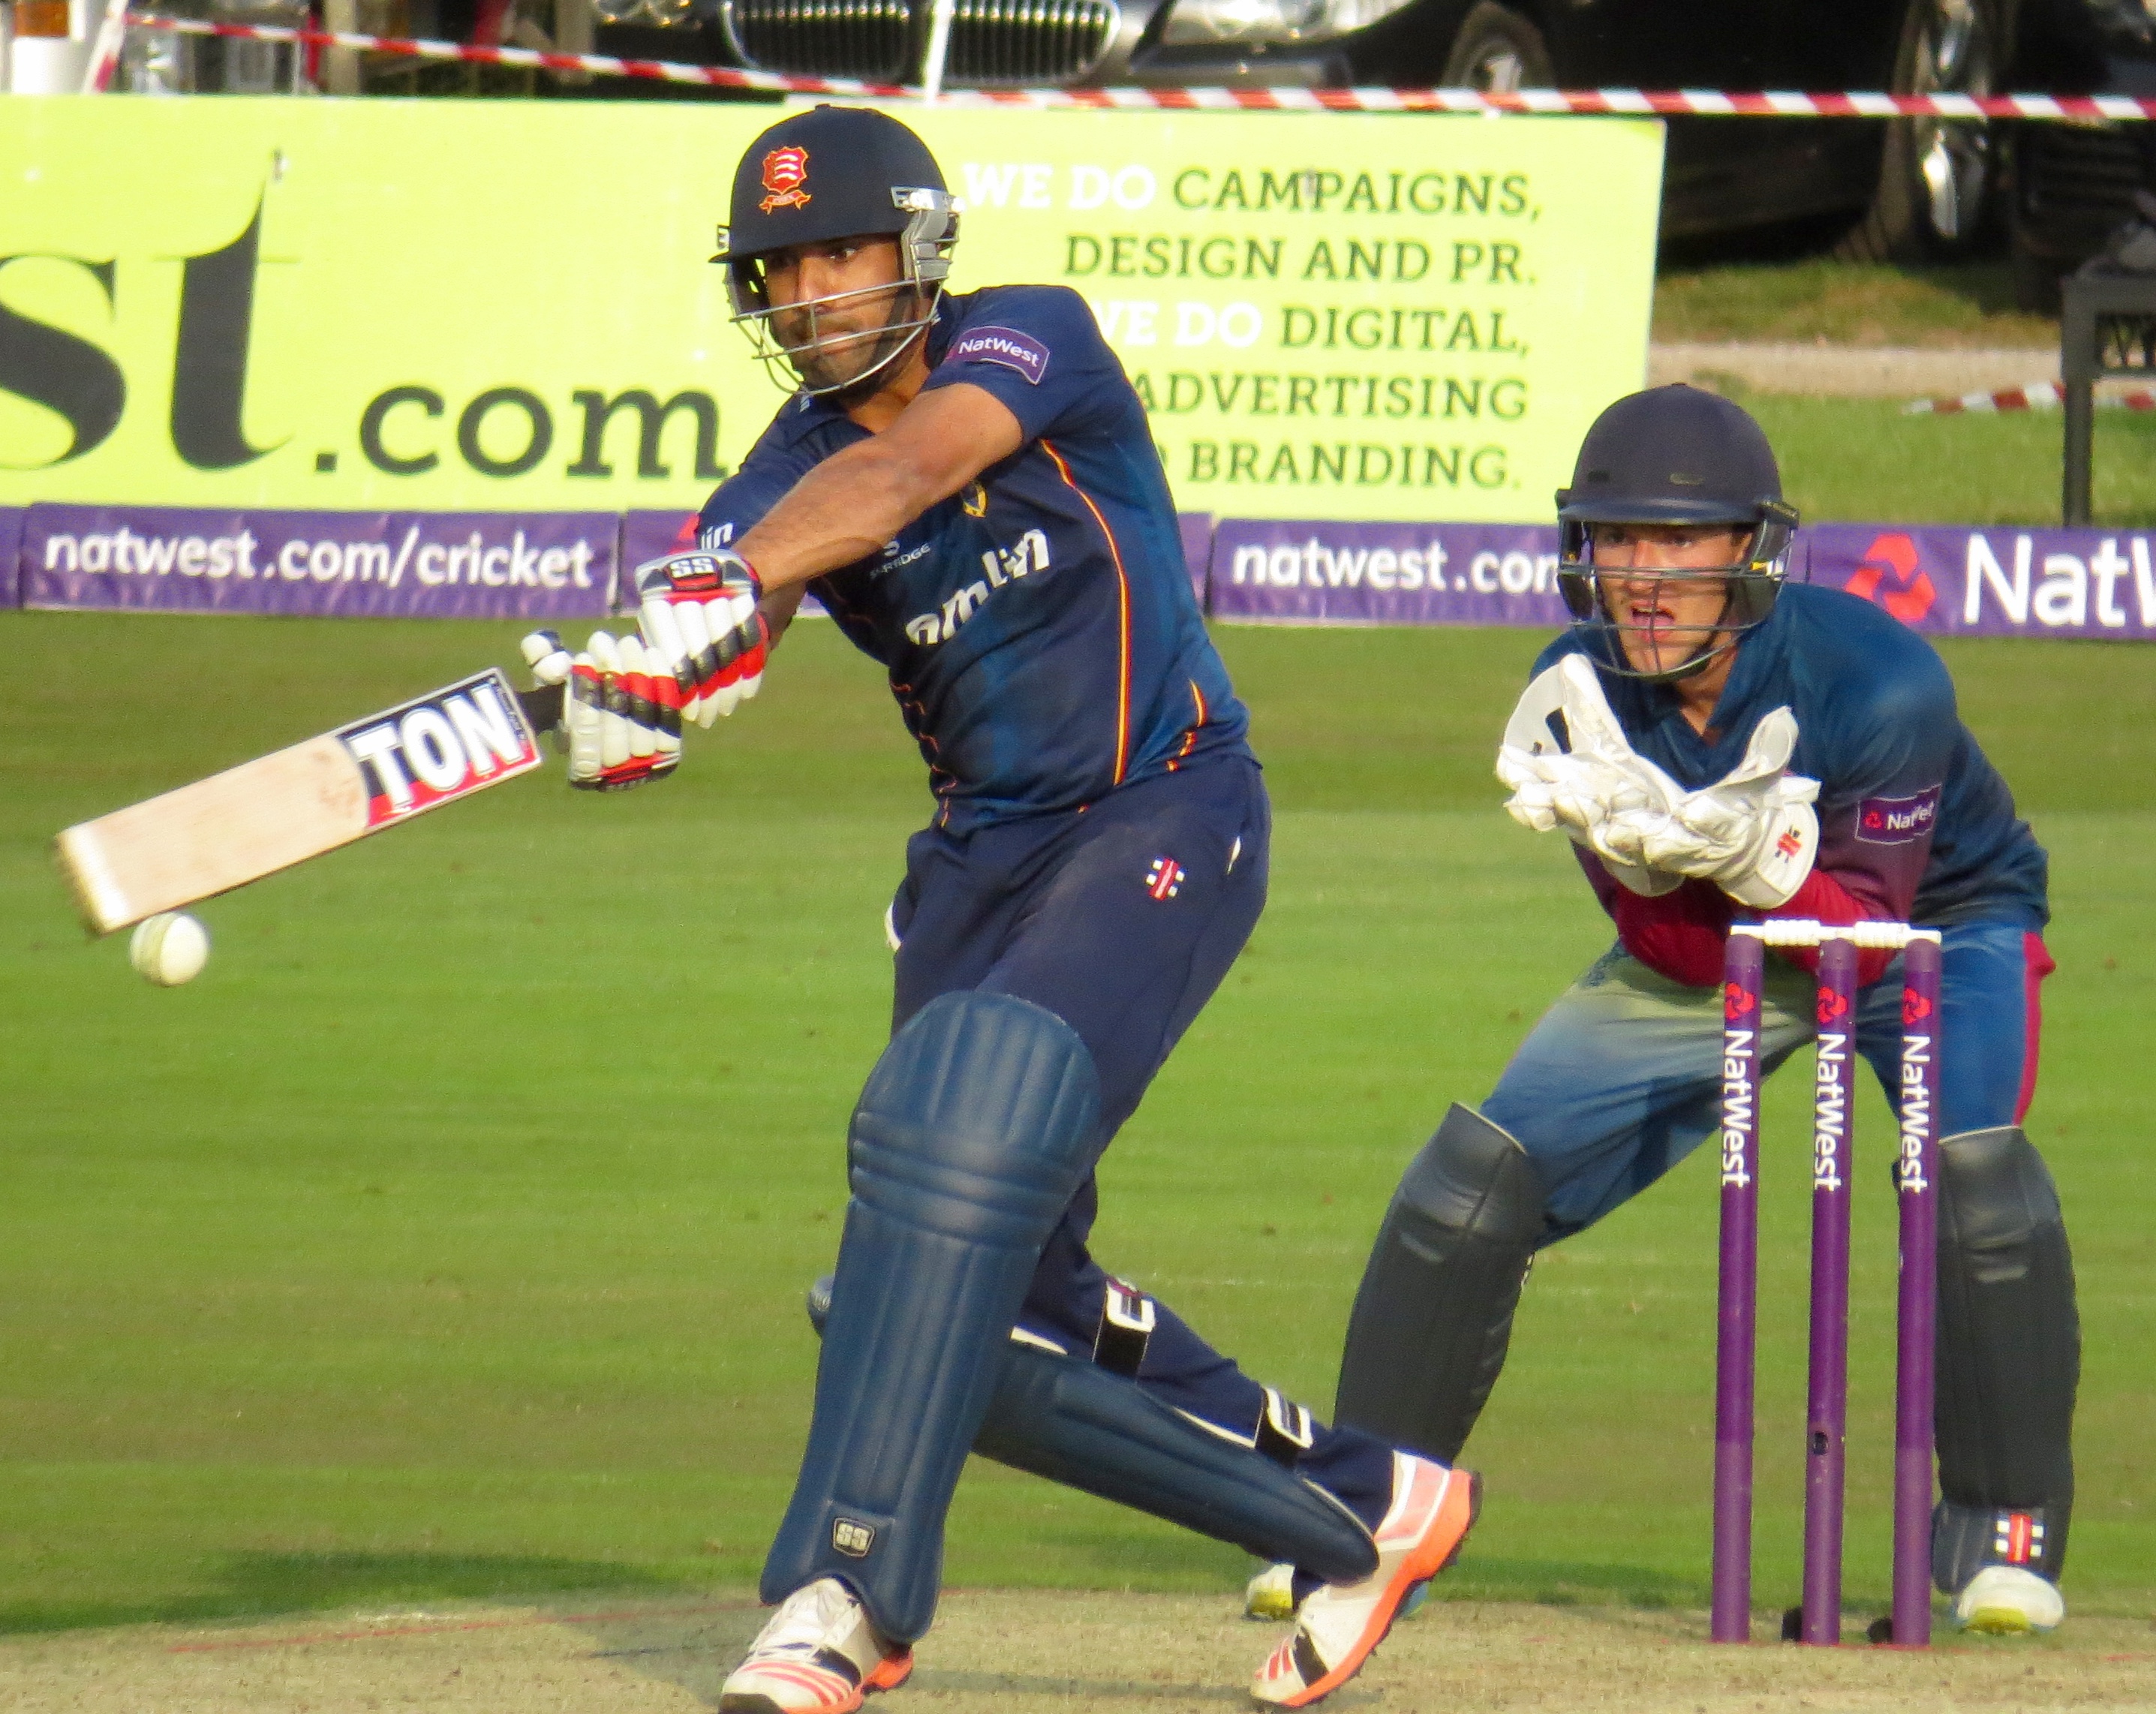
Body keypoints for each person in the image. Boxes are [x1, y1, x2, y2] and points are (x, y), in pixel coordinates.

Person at [532, 104, 1479, 1714]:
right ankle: (1372, 1502)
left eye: (841, 254)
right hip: (981, 865)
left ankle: (845, 1593)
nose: (813, 296)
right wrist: (649, 693)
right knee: (955, 1292)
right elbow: (726, 606)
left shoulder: (1029, 338)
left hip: (1164, 803)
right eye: (780, 271)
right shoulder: (774, 481)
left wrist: (728, 587)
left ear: (919, 246)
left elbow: (907, 471)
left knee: (957, 1153)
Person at [1320, 383, 2078, 1638]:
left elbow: (1861, 945)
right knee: (1473, 1179)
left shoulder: (1881, 682)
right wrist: (1642, 864)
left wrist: (1757, 862)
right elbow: (1678, 961)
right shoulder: (1573, 690)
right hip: (1715, 934)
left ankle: (2003, 1537)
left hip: (1936, 921)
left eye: (1678, 540)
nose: (1643, 574)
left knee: (1971, 1178)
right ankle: (1357, 1519)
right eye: (1617, 537)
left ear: (1749, 550)